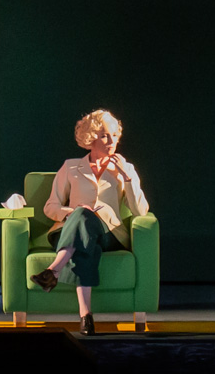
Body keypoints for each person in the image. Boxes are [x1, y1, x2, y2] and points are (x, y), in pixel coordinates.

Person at [31, 108, 149, 335]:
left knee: (88, 221)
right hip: (71, 230)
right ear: (91, 138)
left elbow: (140, 210)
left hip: (109, 233)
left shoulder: (125, 169)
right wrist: (73, 212)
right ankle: (86, 316)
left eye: (114, 135)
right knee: (84, 231)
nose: (111, 141)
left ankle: (53, 271)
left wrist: (127, 178)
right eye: (104, 135)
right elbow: (50, 207)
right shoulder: (70, 167)